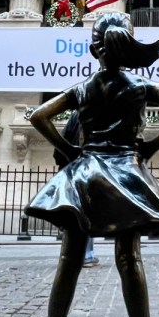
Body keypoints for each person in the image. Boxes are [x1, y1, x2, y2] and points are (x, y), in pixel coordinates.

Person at [25, 12, 159, 317]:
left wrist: (69, 150)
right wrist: (151, 145)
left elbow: (39, 116)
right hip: (125, 171)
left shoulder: (83, 87)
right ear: (128, 45)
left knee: (69, 260)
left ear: (94, 50)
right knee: (129, 259)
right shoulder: (140, 84)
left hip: (84, 174)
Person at [53, 112, 98, 267]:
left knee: (73, 213)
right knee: (86, 213)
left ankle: (70, 254)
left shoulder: (75, 116)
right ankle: (86, 255)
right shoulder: (95, 113)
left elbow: (60, 144)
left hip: (70, 168)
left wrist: (65, 158)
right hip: (88, 169)